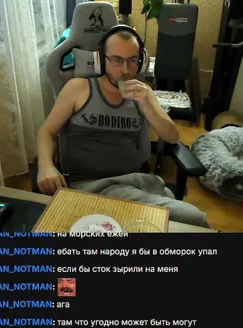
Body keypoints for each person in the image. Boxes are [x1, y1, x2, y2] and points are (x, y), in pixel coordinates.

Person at [35, 26, 209, 227]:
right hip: (89, 188)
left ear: (140, 61)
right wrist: (45, 166)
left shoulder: (144, 93)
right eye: (117, 60)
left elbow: (171, 136)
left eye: (132, 60)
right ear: (101, 60)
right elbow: (46, 131)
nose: (125, 69)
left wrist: (147, 106)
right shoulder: (78, 88)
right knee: (195, 220)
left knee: (182, 221)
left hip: (136, 184)